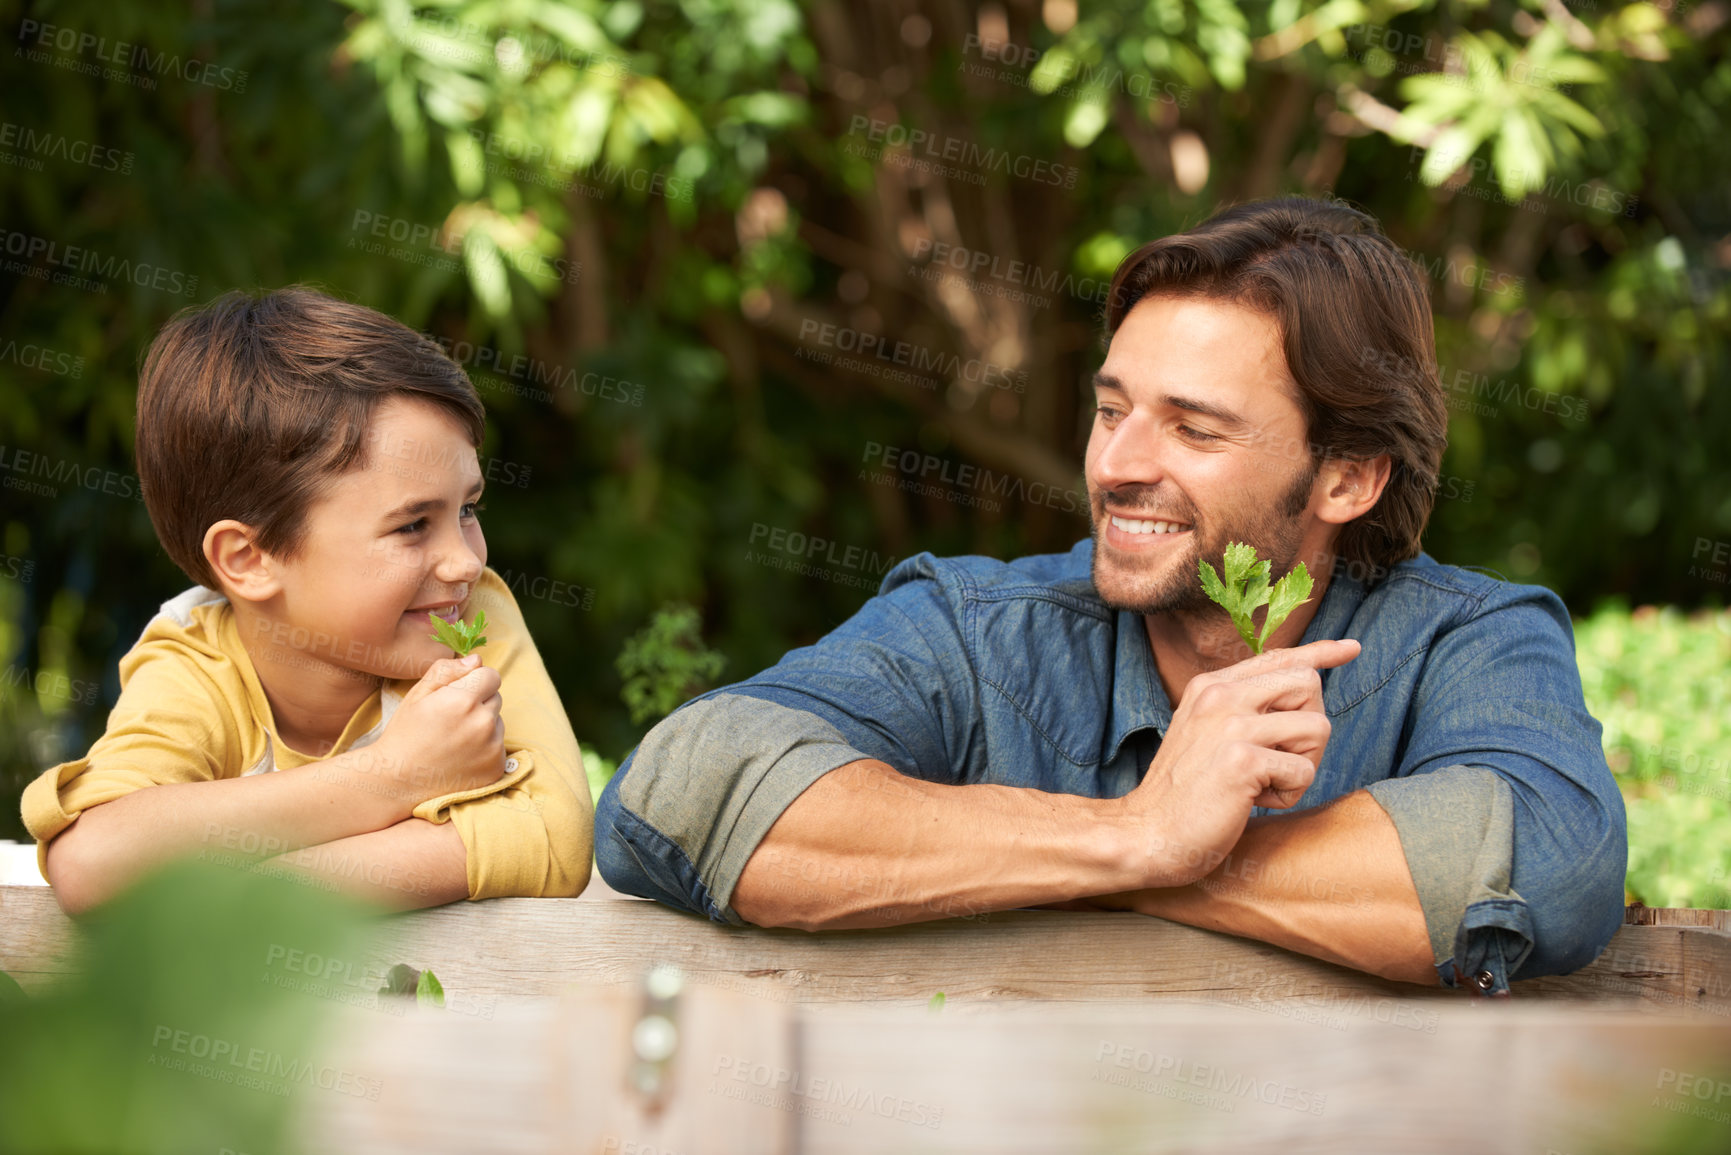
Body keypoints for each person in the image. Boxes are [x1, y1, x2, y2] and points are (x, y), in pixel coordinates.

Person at [593, 197, 1626, 994]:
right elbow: (680, 793)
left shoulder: (1467, 640)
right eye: (1112, 409)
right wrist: (1135, 834)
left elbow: (1551, 866)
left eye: (1194, 428)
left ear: (1348, 477)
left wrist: (1171, 858)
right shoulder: (978, 630)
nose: (1117, 464)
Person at [24, 287, 593, 913]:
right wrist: (397, 775)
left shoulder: (468, 617)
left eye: (468, 510)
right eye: (411, 526)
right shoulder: (198, 662)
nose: (465, 561)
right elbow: (94, 861)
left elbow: (553, 834)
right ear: (250, 559)